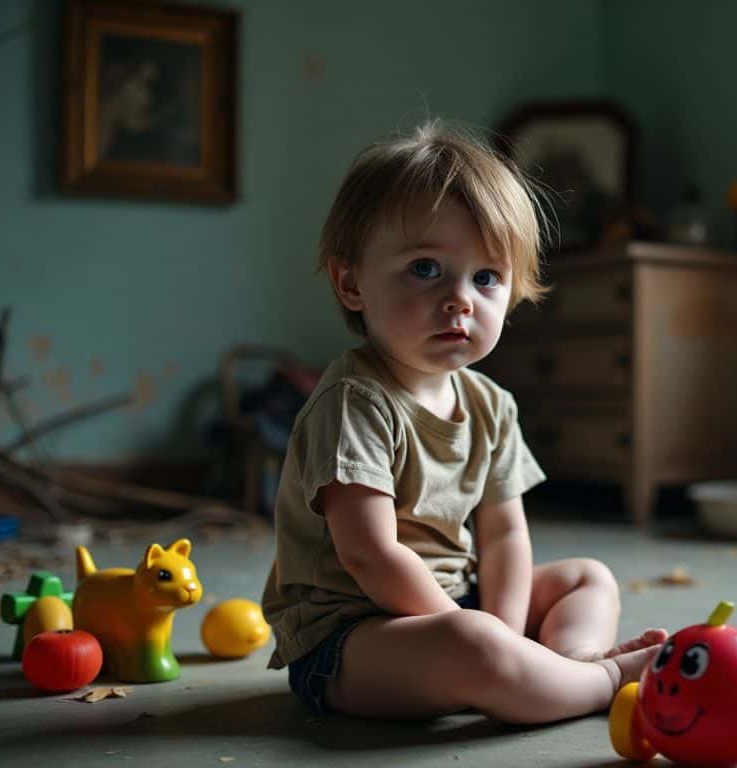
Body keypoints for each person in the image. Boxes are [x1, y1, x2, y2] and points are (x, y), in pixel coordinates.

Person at [260, 120, 667, 722]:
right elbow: (370, 555)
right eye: (426, 269)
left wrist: (502, 629)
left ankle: (570, 661)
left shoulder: (490, 404)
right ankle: (601, 682)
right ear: (351, 283)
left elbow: (504, 534)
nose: (461, 300)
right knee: (472, 646)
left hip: (458, 605)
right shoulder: (355, 402)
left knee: (588, 578)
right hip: (351, 638)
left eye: (486, 278)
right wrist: (482, 637)